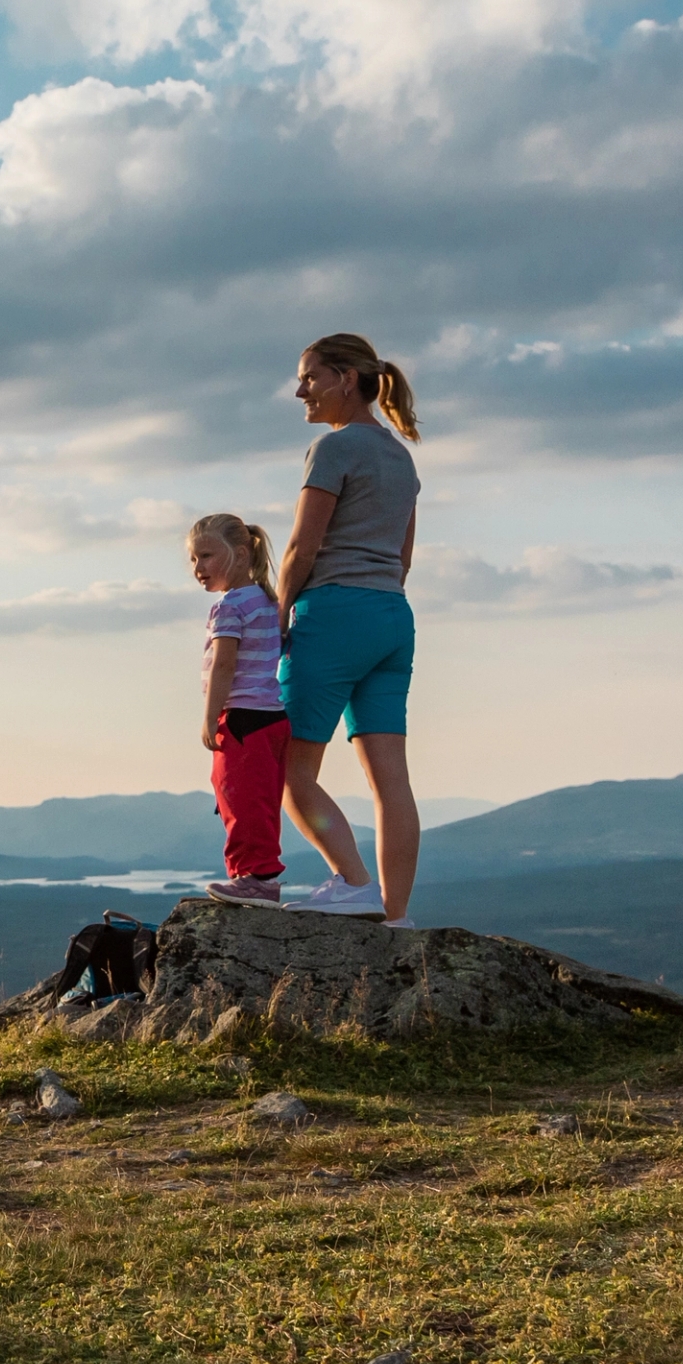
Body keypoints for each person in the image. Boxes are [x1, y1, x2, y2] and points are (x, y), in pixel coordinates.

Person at [272, 332, 425, 926]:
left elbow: (302, 545)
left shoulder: (332, 450)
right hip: (392, 617)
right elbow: (404, 555)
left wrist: (280, 614)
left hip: (333, 614)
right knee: (392, 782)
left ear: (346, 380)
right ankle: (397, 917)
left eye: (310, 377)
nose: (300, 390)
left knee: (290, 769)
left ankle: (354, 884)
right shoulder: (400, 457)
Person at [189, 511, 289, 902]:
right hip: (274, 718)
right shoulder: (268, 601)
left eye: (208, 556)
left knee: (238, 796)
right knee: (262, 798)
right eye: (195, 559)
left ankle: (255, 877)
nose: (199, 567)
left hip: (242, 718)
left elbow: (224, 664)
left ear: (243, 554)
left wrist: (210, 718)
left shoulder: (228, 607)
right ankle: (258, 874)